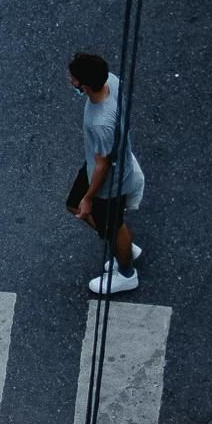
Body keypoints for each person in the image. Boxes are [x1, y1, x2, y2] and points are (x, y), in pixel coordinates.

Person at [67, 49, 145, 296]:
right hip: (99, 166)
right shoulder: (110, 80)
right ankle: (123, 246)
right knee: (73, 206)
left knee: (112, 225)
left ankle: (126, 273)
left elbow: (103, 164)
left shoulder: (99, 123)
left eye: (74, 78)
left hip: (108, 182)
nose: (70, 80)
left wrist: (89, 198)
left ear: (85, 85)